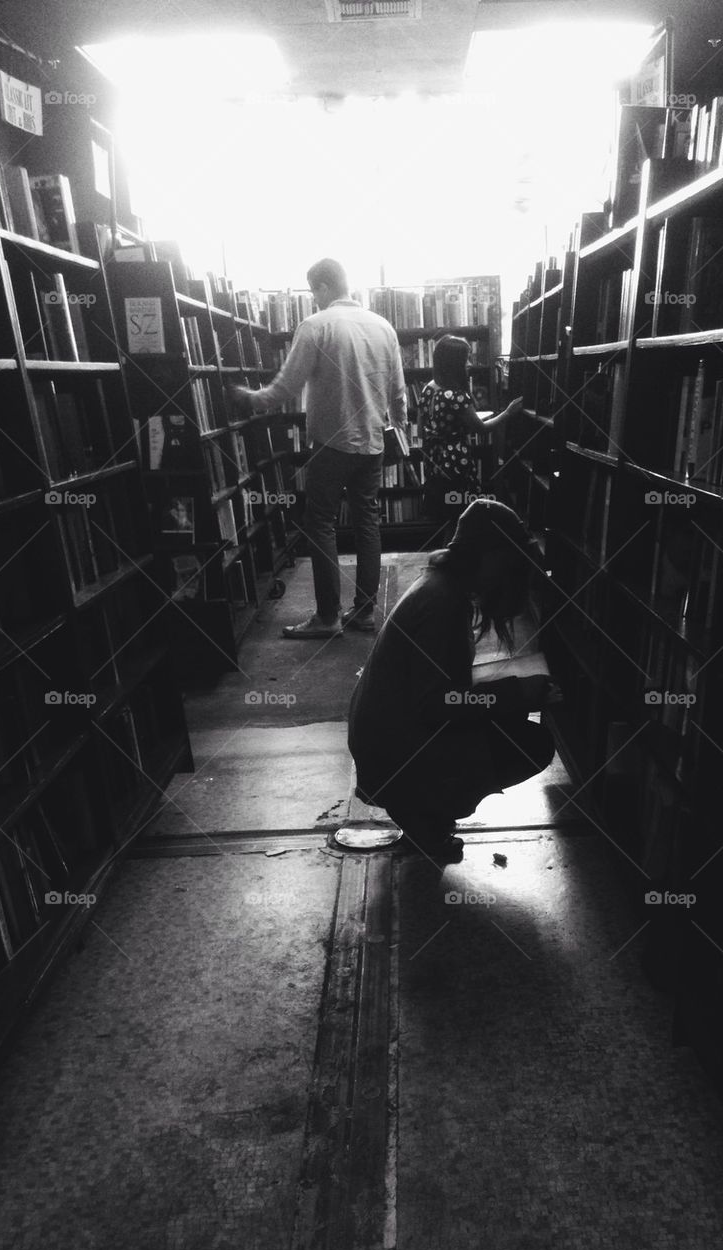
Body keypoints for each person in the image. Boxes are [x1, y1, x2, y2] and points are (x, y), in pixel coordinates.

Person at [347, 498, 556, 860]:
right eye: (510, 562)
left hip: (386, 741)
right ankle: (423, 809)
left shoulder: (440, 585)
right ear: (489, 557)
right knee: (532, 743)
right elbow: (437, 704)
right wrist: (516, 692)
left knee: (512, 719)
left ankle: (425, 807)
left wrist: (509, 695)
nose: (513, 575)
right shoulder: (444, 602)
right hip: (392, 755)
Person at [231, 258, 407, 638]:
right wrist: (396, 425)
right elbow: (398, 392)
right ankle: (363, 613)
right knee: (367, 523)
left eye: (314, 292)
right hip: (373, 443)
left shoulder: (316, 326)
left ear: (323, 287)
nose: (313, 300)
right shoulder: (383, 327)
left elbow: (285, 387)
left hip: (331, 443)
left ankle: (327, 617)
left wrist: (250, 398)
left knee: (320, 523)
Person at [417, 333, 522, 535]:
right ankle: (456, 556)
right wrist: (508, 413)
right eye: (466, 359)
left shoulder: (428, 388)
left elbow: (423, 427)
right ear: (454, 363)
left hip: (435, 461)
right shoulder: (456, 395)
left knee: (447, 513)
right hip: (457, 463)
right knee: (461, 513)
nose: (469, 364)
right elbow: (480, 429)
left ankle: (447, 554)